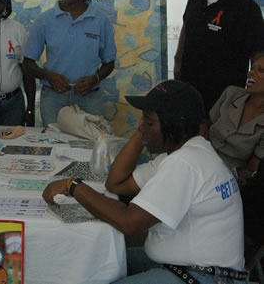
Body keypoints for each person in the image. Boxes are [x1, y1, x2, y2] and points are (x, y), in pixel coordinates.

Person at [43, 80, 246, 284]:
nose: (140, 127)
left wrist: (73, 186)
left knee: (89, 266)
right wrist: (144, 133)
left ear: (174, 124)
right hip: (189, 268)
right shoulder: (186, 153)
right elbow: (116, 184)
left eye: (148, 122)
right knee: (92, 261)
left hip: (204, 277)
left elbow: (129, 222)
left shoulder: (185, 163)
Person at [23, 0, 116, 126]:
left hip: (89, 98)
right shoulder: (45, 20)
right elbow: (28, 64)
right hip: (53, 98)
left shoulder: (100, 21)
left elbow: (109, 63)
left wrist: (94, 79)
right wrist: (49, 76)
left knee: (90, 145)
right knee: (54, 144)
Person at [174, 0, 264, 112]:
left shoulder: (247, 9)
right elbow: (186, 31)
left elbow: (258, 57)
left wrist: (253, 99)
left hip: (224, 103)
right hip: (188, 95)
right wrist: (177, 64)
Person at [208, 50, 264, 183]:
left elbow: (251, 170)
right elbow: (205, 128)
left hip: (228, 180)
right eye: (252, 68)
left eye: (261, 70)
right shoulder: (231, 94)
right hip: (200, 159)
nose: (250, 73)